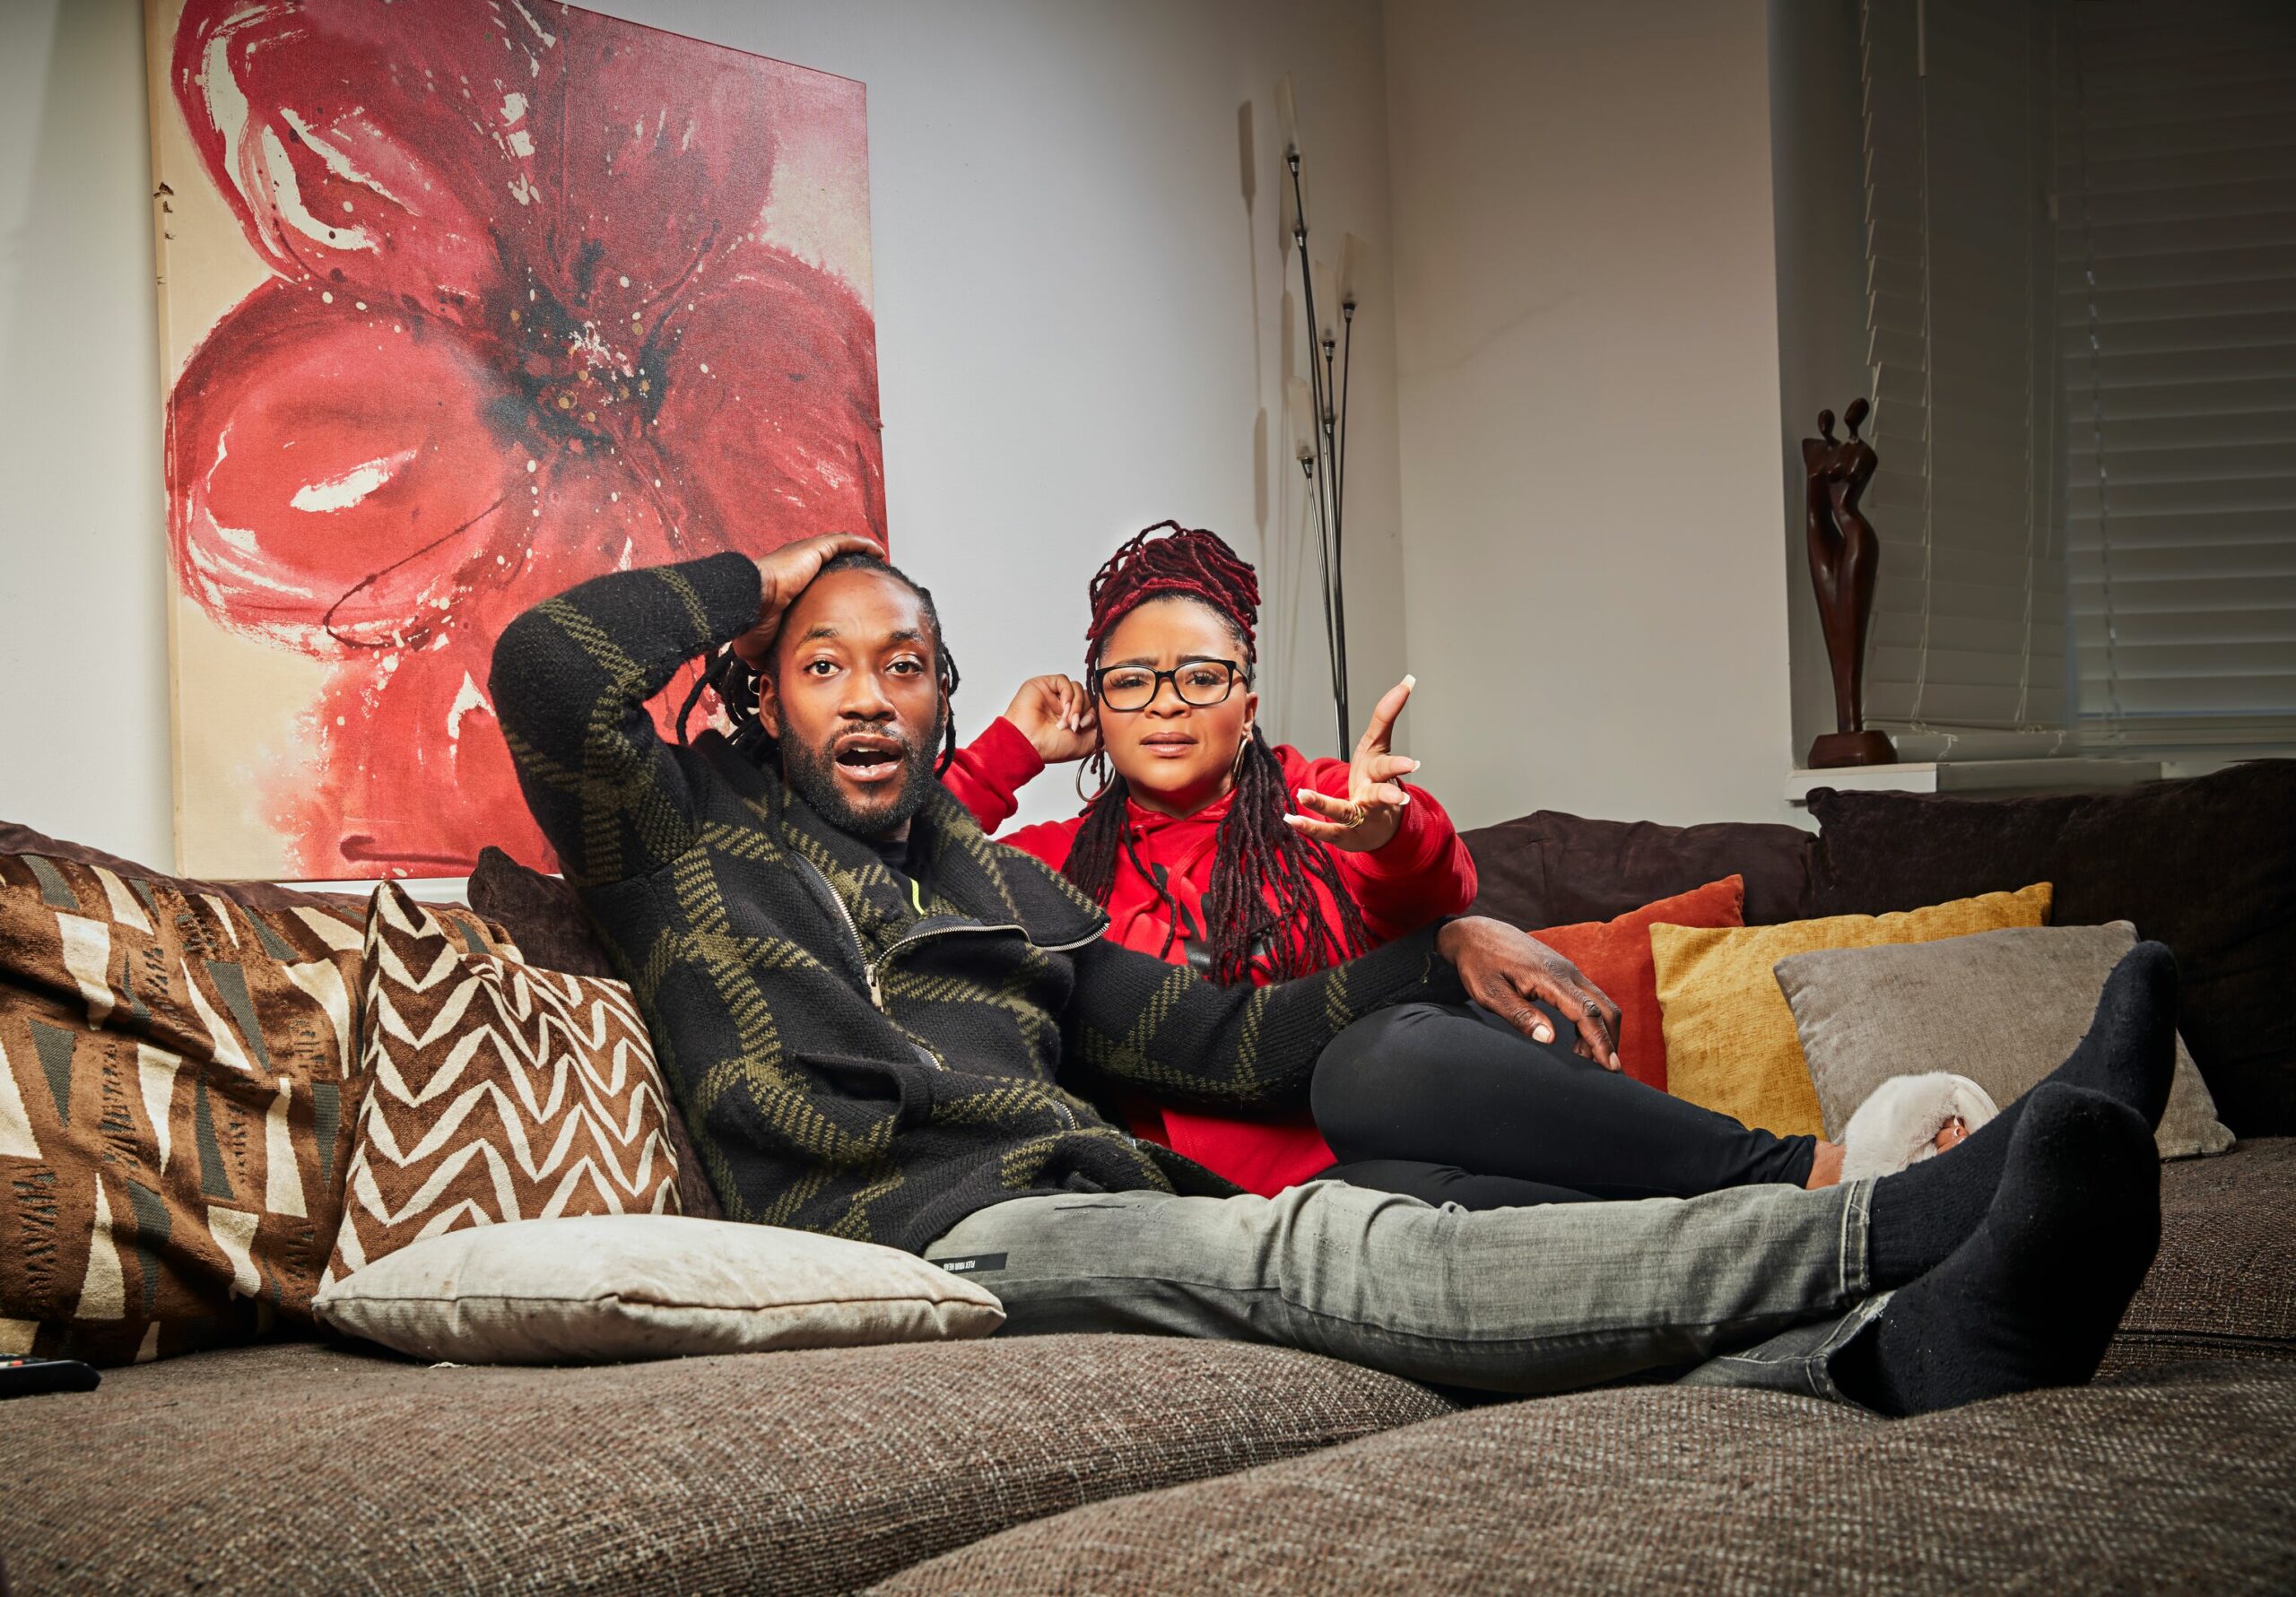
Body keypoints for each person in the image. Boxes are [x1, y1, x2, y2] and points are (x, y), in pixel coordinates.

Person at [489, 531, 2170, 1417]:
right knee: (1328, 1244)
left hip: (1074, 1207)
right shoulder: (679, 831)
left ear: (943, 698)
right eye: (822, 664)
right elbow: (549, 667)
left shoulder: (1003, 888)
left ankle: (1900, 1348)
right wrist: (780, 571)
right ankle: (1902, 1218)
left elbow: (1231, 1040)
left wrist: (1434, 942)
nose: (867, 695)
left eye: (904, 664)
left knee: (1387, 1316)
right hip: (904, 1236)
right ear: (762, 689)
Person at [937, 523, 1871, 1209]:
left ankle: (1803, 1174)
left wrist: (1385, 834)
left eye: (1202, 676)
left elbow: (1439, 890)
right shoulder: (1048, 868)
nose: (1166, 703)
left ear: (1247, 703)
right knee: (1384, 1212)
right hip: (1271, 1205)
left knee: (1369, 1061)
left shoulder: (1315, 798)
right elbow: (897, 874)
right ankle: (1766, 1216)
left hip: (1397, 1112)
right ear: (1097, 706)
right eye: (1132, 680)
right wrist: (1005, 750)